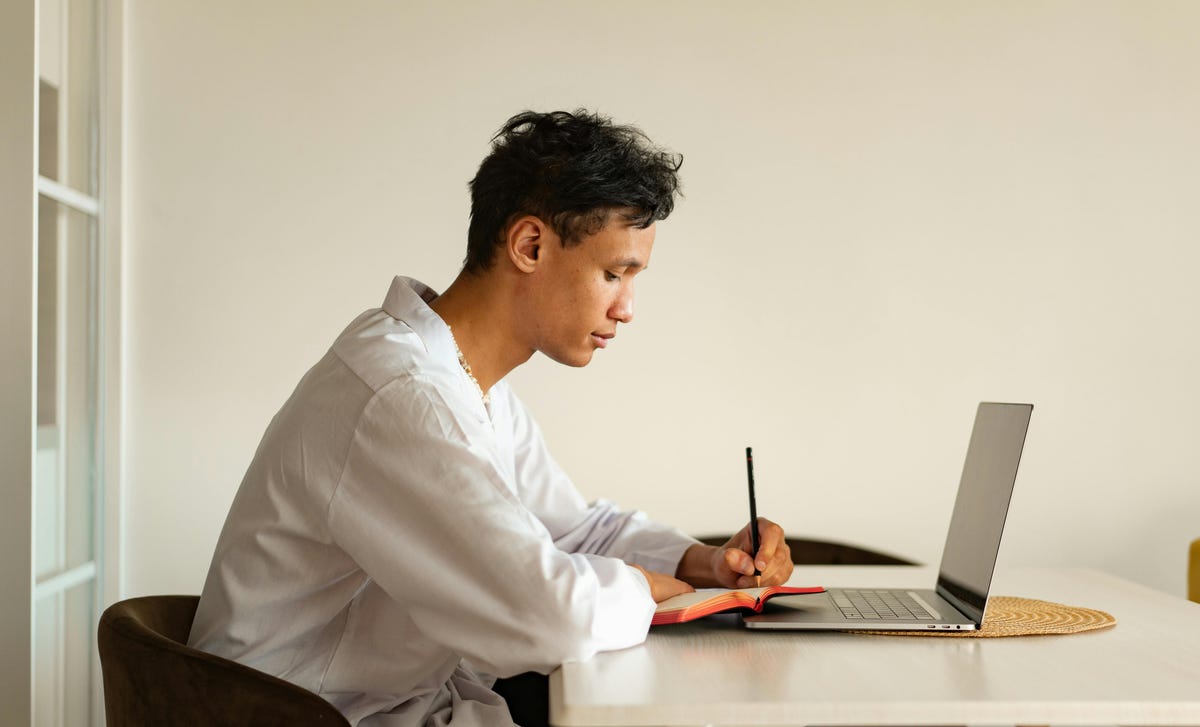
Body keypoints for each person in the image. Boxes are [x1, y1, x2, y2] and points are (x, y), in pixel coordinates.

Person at [189, 109, 794, 726]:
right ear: (529, 245)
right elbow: (546, 616)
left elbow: (570, 531)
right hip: (310, 715)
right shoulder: (402, 394)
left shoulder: (466, 382)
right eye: (613, 274)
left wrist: (705, 563)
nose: (627, 308)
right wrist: (640, 587)